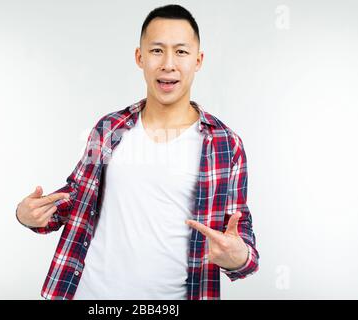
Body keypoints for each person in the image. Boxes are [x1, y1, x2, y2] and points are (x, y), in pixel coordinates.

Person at [16, 4, 259, 300]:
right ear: (139, 57)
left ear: (198, 60)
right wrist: (30, 214)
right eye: (157, 50)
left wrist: (239, 257)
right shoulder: (109, 128)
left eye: (181, 52)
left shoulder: (225, 144)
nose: (168, 63)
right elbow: (77, 196)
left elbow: (239, 232)